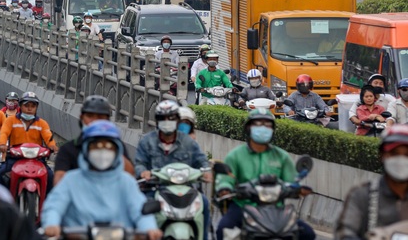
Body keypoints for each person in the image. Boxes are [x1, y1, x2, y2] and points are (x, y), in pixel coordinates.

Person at [42, 121, 162, 240]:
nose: (103, 152)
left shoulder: (126, 182)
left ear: (117, 151)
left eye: (108, 147)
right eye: (96, 146)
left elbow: (140, 209)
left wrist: (149, 228)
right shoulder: (71, 180)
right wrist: (52, 224)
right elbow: (54, 206)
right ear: (86, 149)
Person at [214, 108, 316, 240]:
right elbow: (225, 178)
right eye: (257, 124)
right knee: (224, 229)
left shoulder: (282, 156)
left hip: (276, 209)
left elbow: (291, 181)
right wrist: (225, 188)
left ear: (273, 130)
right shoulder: (235, 155)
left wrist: (298, 189)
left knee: (308, 234)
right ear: (248, 128)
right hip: (243, 206)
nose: (263, 128)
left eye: (267, 125)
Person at [135, 100, 212, 240]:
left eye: (171, 118)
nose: (167, 121)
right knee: (142, 207)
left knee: (204, 203)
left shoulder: (188, 142)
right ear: (157, 121)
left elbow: (201, 160)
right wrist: (143, 172)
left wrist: (206, 171)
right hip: (155, 190)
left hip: (186, 189)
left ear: (177, 120)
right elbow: (139, 163)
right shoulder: (147, 141)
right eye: (162, 118)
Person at [335, 124, 408, 239]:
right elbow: (344, 232)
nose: (401, 160)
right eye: (394, 153)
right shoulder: (362, 195)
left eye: (407, 155)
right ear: (382, 155)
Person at [54, 95, 135, 186]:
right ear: (82, 118)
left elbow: (130, 175)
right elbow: (59, 179)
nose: (94, 121)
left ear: (107, 120)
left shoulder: (117, 146)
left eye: (100, 117)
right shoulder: (69, 149)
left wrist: (113, 146)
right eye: (90, 116)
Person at [0, 91, 58, 190]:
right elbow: (4, 133)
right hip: (14, 157)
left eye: (33, 106)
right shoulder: (10, 121)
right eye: (26, 105)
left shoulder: (42, 123)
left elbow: (48, 137)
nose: (29, 109)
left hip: (37, 159)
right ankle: (2, 200)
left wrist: (53, 146)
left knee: (51, 177)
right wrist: (2, 144)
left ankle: (47, 203)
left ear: (36, 108)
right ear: (20, 106)